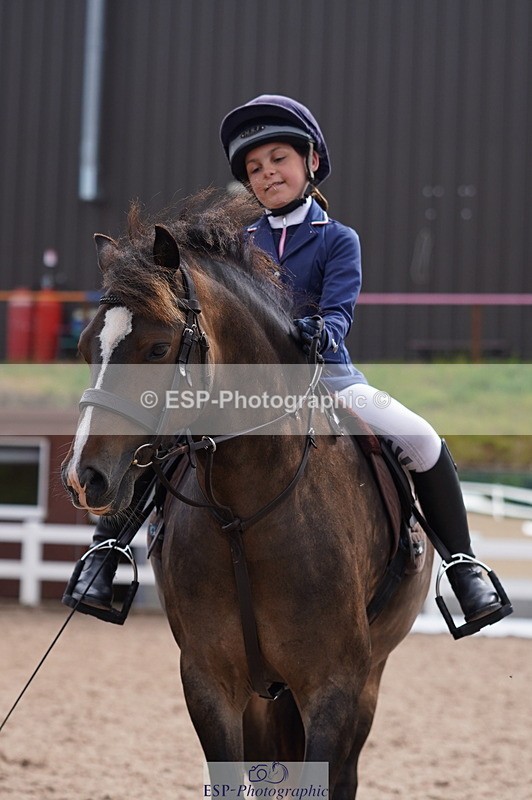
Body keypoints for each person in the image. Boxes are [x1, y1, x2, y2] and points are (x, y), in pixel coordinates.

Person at [218, 93, 511, 634]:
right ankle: (111, 550)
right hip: (249, 388)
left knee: (422, 439)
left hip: (327, 376)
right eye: (255, 169)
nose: (266, 174)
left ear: (310, 162)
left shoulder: (336, 239)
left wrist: (318, 334)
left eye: (278, 159)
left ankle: (464, 567)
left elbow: (338, 312)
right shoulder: (236, 245)